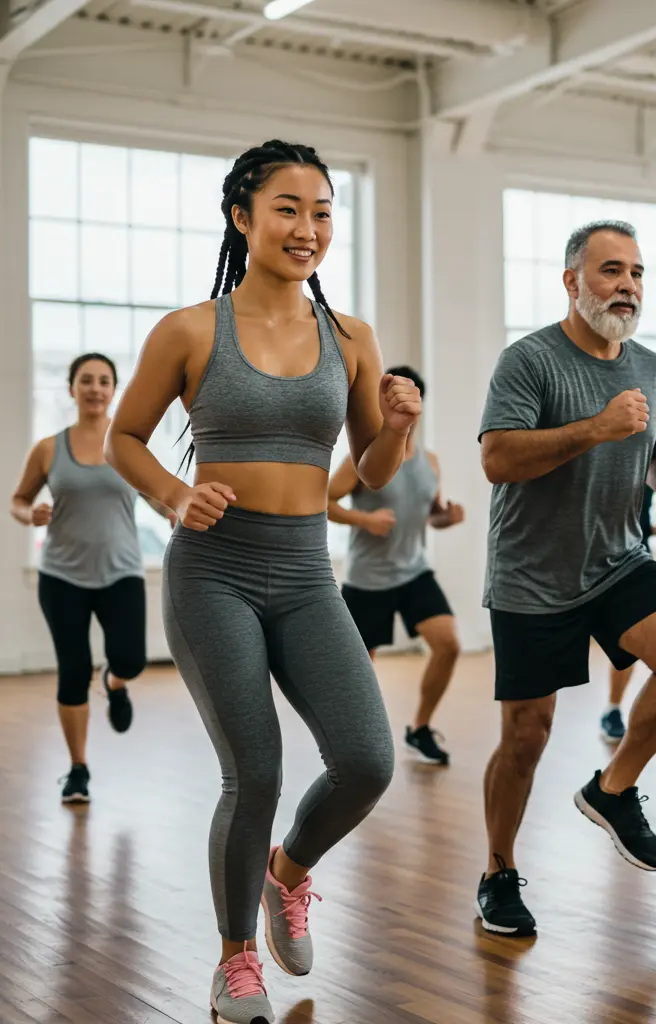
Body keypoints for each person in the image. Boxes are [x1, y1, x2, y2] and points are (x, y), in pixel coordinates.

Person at [105, 141, 420, 1024]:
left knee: (366, 759)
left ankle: (290, 872)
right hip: (216, 573)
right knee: (256, 771)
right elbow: (125, 437)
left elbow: (374, 467)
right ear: (242, 218)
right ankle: (235, 959)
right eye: (287, 208)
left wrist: (394, 427)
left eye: (321, 211)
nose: (307, 228)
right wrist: (173, 495)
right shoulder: (189, 330)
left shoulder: (351, 337)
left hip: (308, 571)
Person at [474, 220, 656, 938]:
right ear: (572, 280)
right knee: (526, 735)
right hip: (532, 573)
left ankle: (614, 788)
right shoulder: (529, 362)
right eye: (611, 271)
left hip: (619, 558)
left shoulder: (654, 368)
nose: (627, 286)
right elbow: (498, 460)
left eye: (637, 273)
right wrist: (594, 429)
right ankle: (497, 871)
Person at [10, 353, 174, 804]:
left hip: (121, 571)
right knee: (72, 671)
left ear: (114, 389)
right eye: (86, 380)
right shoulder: (49, 448)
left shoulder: (127, 446)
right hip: (62, 577)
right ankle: (78, 768)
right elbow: (19, 499)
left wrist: (177, 511)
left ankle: (115, 683)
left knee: (131, 660)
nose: (95, 388)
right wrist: (30, 514)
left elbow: (158, 495)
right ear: (71, 389)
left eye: (104, 380)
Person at [329, 365, 464, 766]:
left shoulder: (431, 462)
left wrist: (447, 517)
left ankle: (419, 727)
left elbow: (432, 514)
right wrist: (365, 520)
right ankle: (358, 743)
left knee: (449, 645)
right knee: (359, 674)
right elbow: (322, 500)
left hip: (414, 571)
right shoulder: (360, 459)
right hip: (368, 579)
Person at [601, 483, 656, 742]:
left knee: (628, 645)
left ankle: (613, 710)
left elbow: (637, 524)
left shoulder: (649, 462)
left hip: (636, 561)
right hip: (596, 562)